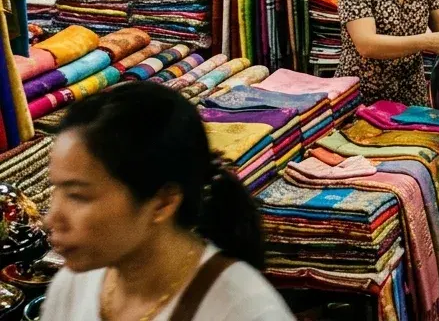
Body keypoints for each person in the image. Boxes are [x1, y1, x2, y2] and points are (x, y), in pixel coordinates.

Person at [43, 82, 293, 321]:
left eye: (78, 196)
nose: (50, 219)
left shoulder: (244, 310)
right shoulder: (73, 285)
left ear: (163, 202)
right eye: (57, 189)